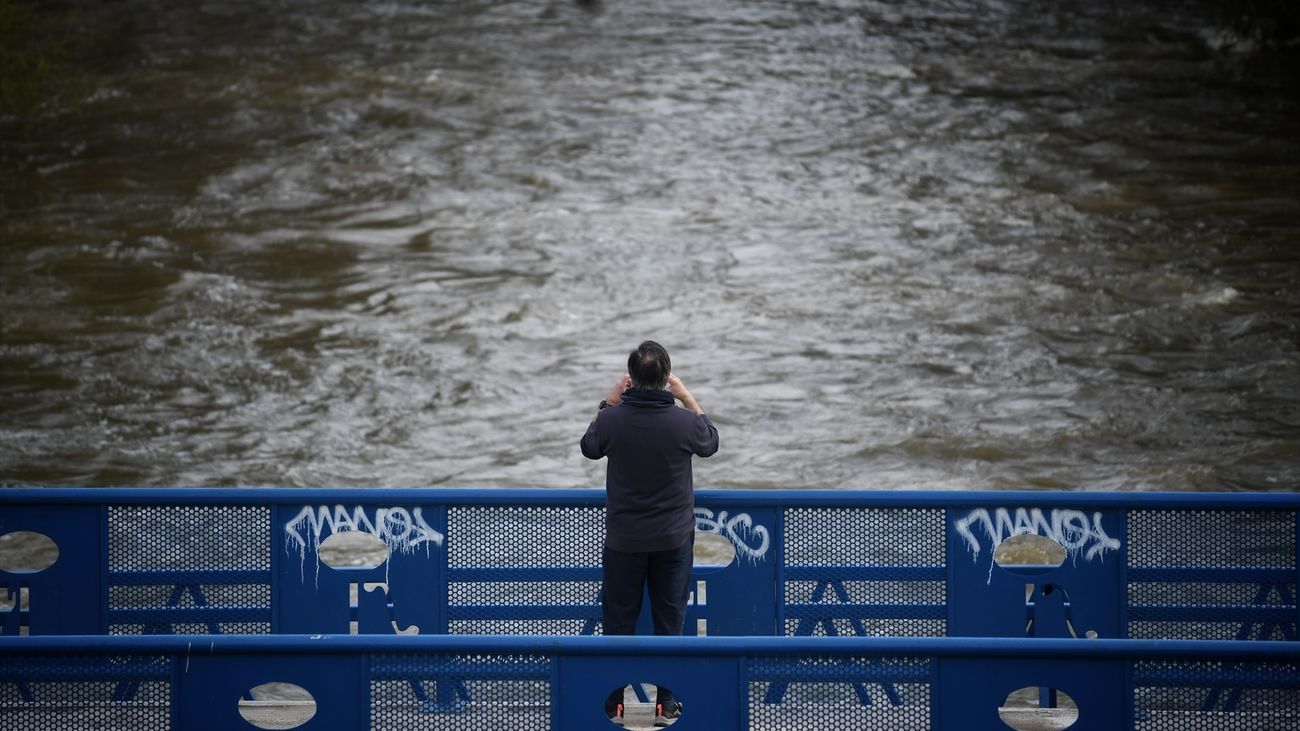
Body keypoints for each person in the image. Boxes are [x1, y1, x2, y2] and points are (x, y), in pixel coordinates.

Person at [580, 340, 719, 727]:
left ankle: (614, 704)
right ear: (666, 379)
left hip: (624, 539)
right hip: (673, 539)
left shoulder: (612, 420)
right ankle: (666, 703)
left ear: (631, 380)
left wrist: (608, 401)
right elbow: (711, 442)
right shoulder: (685, 423)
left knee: (619, 621)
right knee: (669, 619)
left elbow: (590, 448)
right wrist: (687, 395)